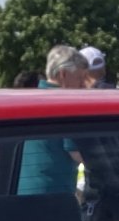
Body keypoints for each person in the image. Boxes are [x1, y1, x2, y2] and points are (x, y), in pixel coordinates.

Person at [16, 46, 86, 194]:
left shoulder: (26, 101)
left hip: (21, 194)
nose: (83, 86)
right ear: (63, 74)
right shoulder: (65, 104)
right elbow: (79, 154)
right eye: (80, 78)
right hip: (54, 198)